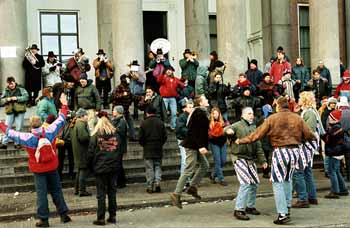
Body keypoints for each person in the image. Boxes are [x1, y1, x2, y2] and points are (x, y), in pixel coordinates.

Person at [236, 96, 315, 225]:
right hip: (295, 151)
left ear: (278, 106)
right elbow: (309, 135)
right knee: (288, 179)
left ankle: (282, 214)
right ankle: (287, 208)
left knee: (278, 182)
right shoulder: (297, 118)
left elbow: (257, 134)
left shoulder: (272, 118)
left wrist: (241, 140)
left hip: (280, 151)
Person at [0, 93, 71, 227]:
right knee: (56, 190)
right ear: (40, 123)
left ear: (31, 126)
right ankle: (63, 214)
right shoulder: (49, 131)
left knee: (41, 193)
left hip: (38, 169)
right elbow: (61, 119)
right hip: (52, 165)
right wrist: (64, 104)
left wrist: (1, 124)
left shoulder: (27, 138)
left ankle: (44, 219)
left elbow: (10, 133)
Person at [224, 107, 267, 220]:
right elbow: (228, 128)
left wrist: (263, 160)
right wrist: (228, 131)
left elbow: (258, 145)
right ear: (243, 115)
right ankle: (238, 209)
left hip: (250, 158)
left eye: (252, 113)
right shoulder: (238, 125)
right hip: (239, 157)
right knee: (245, 182)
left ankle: (250, 206)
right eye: (249, 113)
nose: (251, 115)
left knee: (254, 183)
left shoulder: (254, 127)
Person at [170, 95, 210, 209]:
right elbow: (195, 131)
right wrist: (201, 146)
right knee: (189, 169)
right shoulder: (199, 113)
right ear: (200, 103)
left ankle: (192, 187)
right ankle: (176, 194)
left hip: (195, 144)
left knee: (205, 165)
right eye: (205, 99)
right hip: (192, 144)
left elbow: (202, 132)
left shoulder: (201, 112)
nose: (207, 100)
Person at [86, 112, 120, 225]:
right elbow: (119, 151)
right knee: (112, 192)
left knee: (101, 194)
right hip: (113, 167)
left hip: (100, 168)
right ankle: (112, 216)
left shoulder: (95, 136)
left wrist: (91, 167)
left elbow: (90, 154)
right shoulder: (115, 135)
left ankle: (101, 217)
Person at [293, 91, 324, 208]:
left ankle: (303, 198)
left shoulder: (309, 113)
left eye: (300, 98)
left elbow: (309, 131)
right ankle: (312, 197)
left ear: (305, 100)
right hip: (309, 145)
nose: (298, 99)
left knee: (298, 171)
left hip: (306, 145)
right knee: (307, 172)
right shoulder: (310, 112)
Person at [139, 105, 167, 193]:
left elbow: (140, 138)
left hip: (148, 148)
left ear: (147, 113)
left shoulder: (144, 123)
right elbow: (164, 136)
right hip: (158, 147)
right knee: (158, 166)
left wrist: (144, 144)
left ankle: (150, 186)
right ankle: (157, 182)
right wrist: (160, 143)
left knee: (149, 168)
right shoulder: (160, 122)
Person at [323, 110, 349, 199]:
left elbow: (329, 140)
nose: (328, 118)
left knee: (332, 172)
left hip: (334, 152)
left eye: (330, 117)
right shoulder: (339, 127)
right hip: (339, 152)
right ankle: (343, 189)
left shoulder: (334, 129)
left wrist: (323, 135)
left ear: (333, 119)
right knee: (336, 171)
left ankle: (335, 191)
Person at [0, 77, 29, 149]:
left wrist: (17, 98)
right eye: (9, 84)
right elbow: (1, 101)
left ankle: (17, 143)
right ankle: (4, 143)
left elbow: (26, 97)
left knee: (19, 128)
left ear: (14, 82)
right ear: (7, 84)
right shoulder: (5, 91)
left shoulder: (21, 89)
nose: (11, 85)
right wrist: (7, 99)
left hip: (20, 111)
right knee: (7, 127)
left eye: (12, 84)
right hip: (10, 111)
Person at [71, 108, 91, 197]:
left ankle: (76, 189)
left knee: (79, 170)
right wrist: (90, 136)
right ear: (82, 116)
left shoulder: (76, 124)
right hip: (82, 151)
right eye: (86, 115)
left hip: (78, 150)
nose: (87, 117)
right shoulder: (81, 125)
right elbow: (84, 138)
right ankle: (82, 190)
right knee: (83, 169)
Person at [111, 74, 138, 141]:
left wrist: (140, 98)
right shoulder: (118, 87)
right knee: (118, 124)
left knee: (130, 122)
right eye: (127, 79)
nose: (129, 80)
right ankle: (115, 137)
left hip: (126, 109)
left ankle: (132, 136)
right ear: (123, 80)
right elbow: (113, 96)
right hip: (119, 111)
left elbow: (131, 96)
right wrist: (122, 95)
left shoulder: (128, 88)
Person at [157, 66, 184, 130]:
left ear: (172, 71)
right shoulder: (163, 77)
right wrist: (162, 74)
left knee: (174, 113)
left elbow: (182, 85)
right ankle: (162, 126)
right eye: (167, 70)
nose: (169, 71)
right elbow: (158, 80)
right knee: (163, 113)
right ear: (165, 71)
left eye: (170, 70)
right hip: (164, 98)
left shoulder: (175, 79)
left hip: (173, 98)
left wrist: (182, 84)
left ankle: (173, 126)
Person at [208, 107, 228, 186]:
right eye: (214, 113)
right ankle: (221, 179)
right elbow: (208, 133)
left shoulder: (224, 121)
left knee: (223, 161)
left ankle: (213, 175)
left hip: (222, 142)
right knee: (218, 161)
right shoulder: (209, 122)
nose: (215, 115)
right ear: (212, 114)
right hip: (214, 142)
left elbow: (228, 128)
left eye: (217, 113)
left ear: (219, 113)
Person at [176, 99, 194, 176]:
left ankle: (188, 178)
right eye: (189, 107)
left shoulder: (193, 116)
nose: (191, 109)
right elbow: (180, 128)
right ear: (185, 108)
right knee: (185, 160)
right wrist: (190, 132)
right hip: (183, 140)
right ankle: (183, 179)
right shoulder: (182, 117)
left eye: (192, 107)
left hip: (191, 140)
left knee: (190, 161)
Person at [111, 106, 128, 188]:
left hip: (119, 146)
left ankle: (121, 182)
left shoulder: (121, 121)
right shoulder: (115, 120)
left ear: (118, 112)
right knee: (118, 164)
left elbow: (119, 131)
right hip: (117, 145)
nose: (113, 111)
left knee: (119, 164)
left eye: (114, 110)